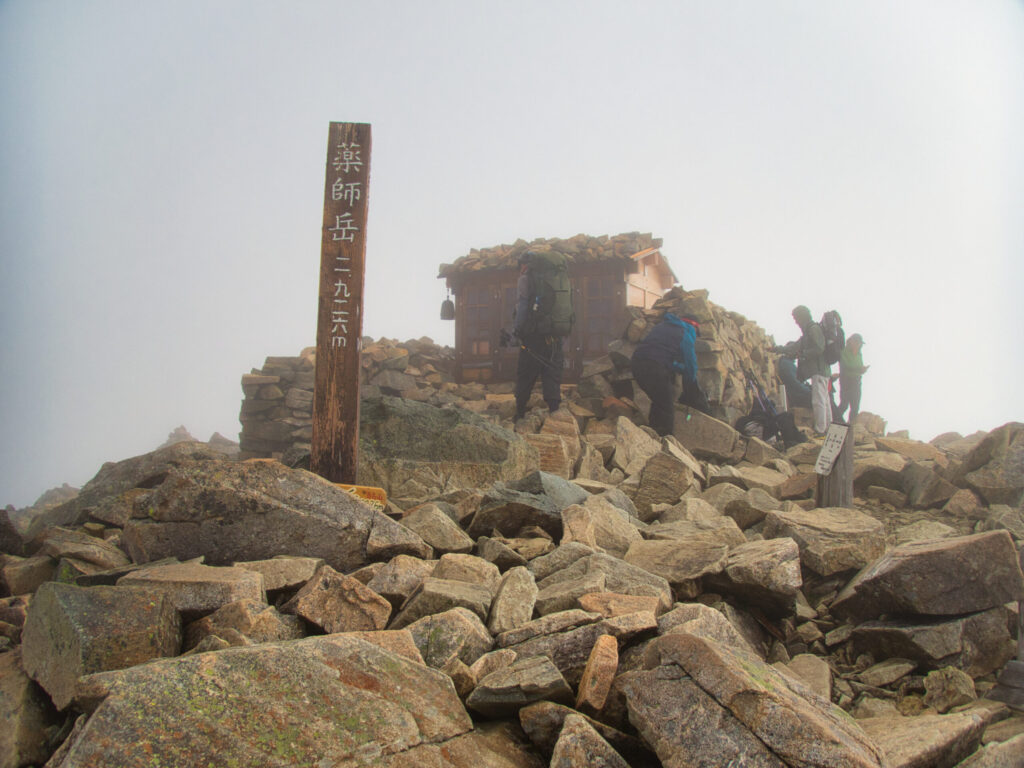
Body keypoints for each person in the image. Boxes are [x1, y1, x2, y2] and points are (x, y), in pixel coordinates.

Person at [630, 312, 711, 436]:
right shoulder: (686, 332)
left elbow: (661, 355)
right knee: (666, 407)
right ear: (694, 327)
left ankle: (652, 433)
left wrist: (679, 368)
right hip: (654, 368)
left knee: (659, 400)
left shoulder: (662, 326)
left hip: (636, 365)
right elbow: (691, 364)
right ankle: (665, 439)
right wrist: (692, 389)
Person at [513, 251, 565, 419]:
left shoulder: (525, 279)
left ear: (524, 265)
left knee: (526, 372)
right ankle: (555, 412)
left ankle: (520, 413)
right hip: (555, 335)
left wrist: (517, 330)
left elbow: (522, 306)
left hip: (533, 335)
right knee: (552, 370)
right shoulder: (557, 278)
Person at [773, 305, 831, 436]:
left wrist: (804, 354)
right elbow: (794, 346)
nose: (796, 322)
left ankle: (821, 429)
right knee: (824, 399)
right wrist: (777, 349)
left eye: (796, 318)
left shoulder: (813, 329)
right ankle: (828, 428)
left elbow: (819, 348)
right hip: (821, 371)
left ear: (802, 316)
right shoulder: (808, 331)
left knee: (818, 400)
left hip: (819, 370)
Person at [832, 333, 869, 424]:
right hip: (846, 380)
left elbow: (858, 367)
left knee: (855, 406)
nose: (859, 345)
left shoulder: (859, 353)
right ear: (852, 342)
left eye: (860, 343)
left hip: (857, 380)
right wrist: (859, 369)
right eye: (858, 343)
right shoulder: (844, 351)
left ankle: (850, 425)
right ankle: (834, 422)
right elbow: (846, 365)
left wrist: (862, 370)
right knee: (844, 404)